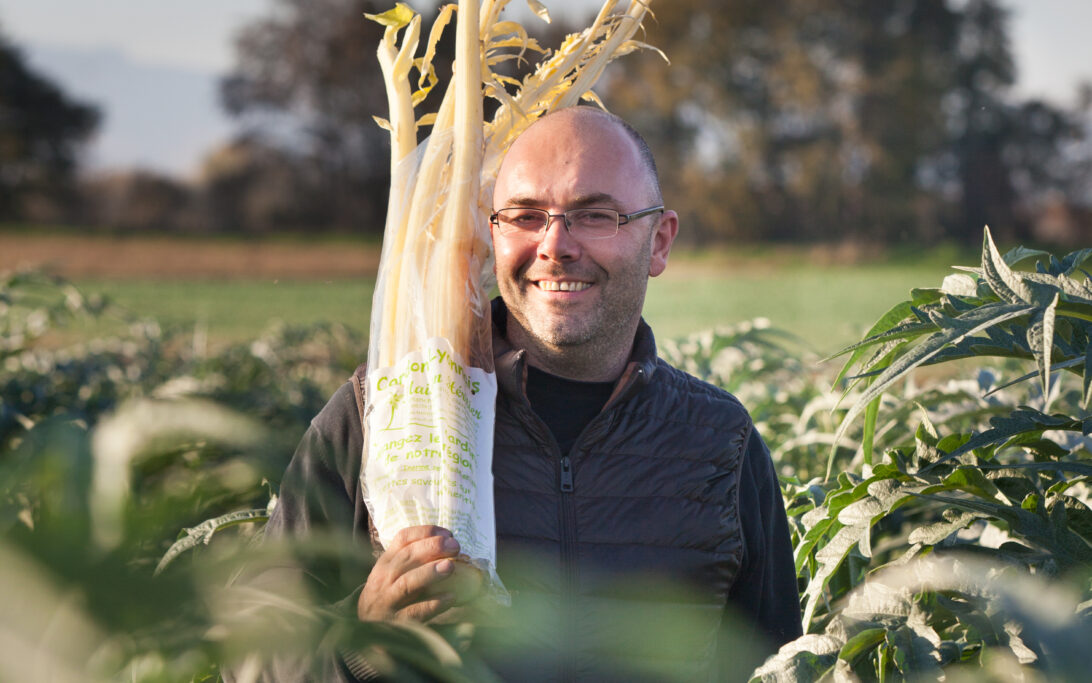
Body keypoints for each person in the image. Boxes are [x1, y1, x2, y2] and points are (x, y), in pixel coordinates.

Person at [256, 107, 802, 681]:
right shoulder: (383, 414)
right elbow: (249, 660)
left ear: (659, 241)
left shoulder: (722, 443)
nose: (555, 245)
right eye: (525, 215)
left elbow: (779, 669)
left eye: (595, 215)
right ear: (493, 233)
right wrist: (361, 646)